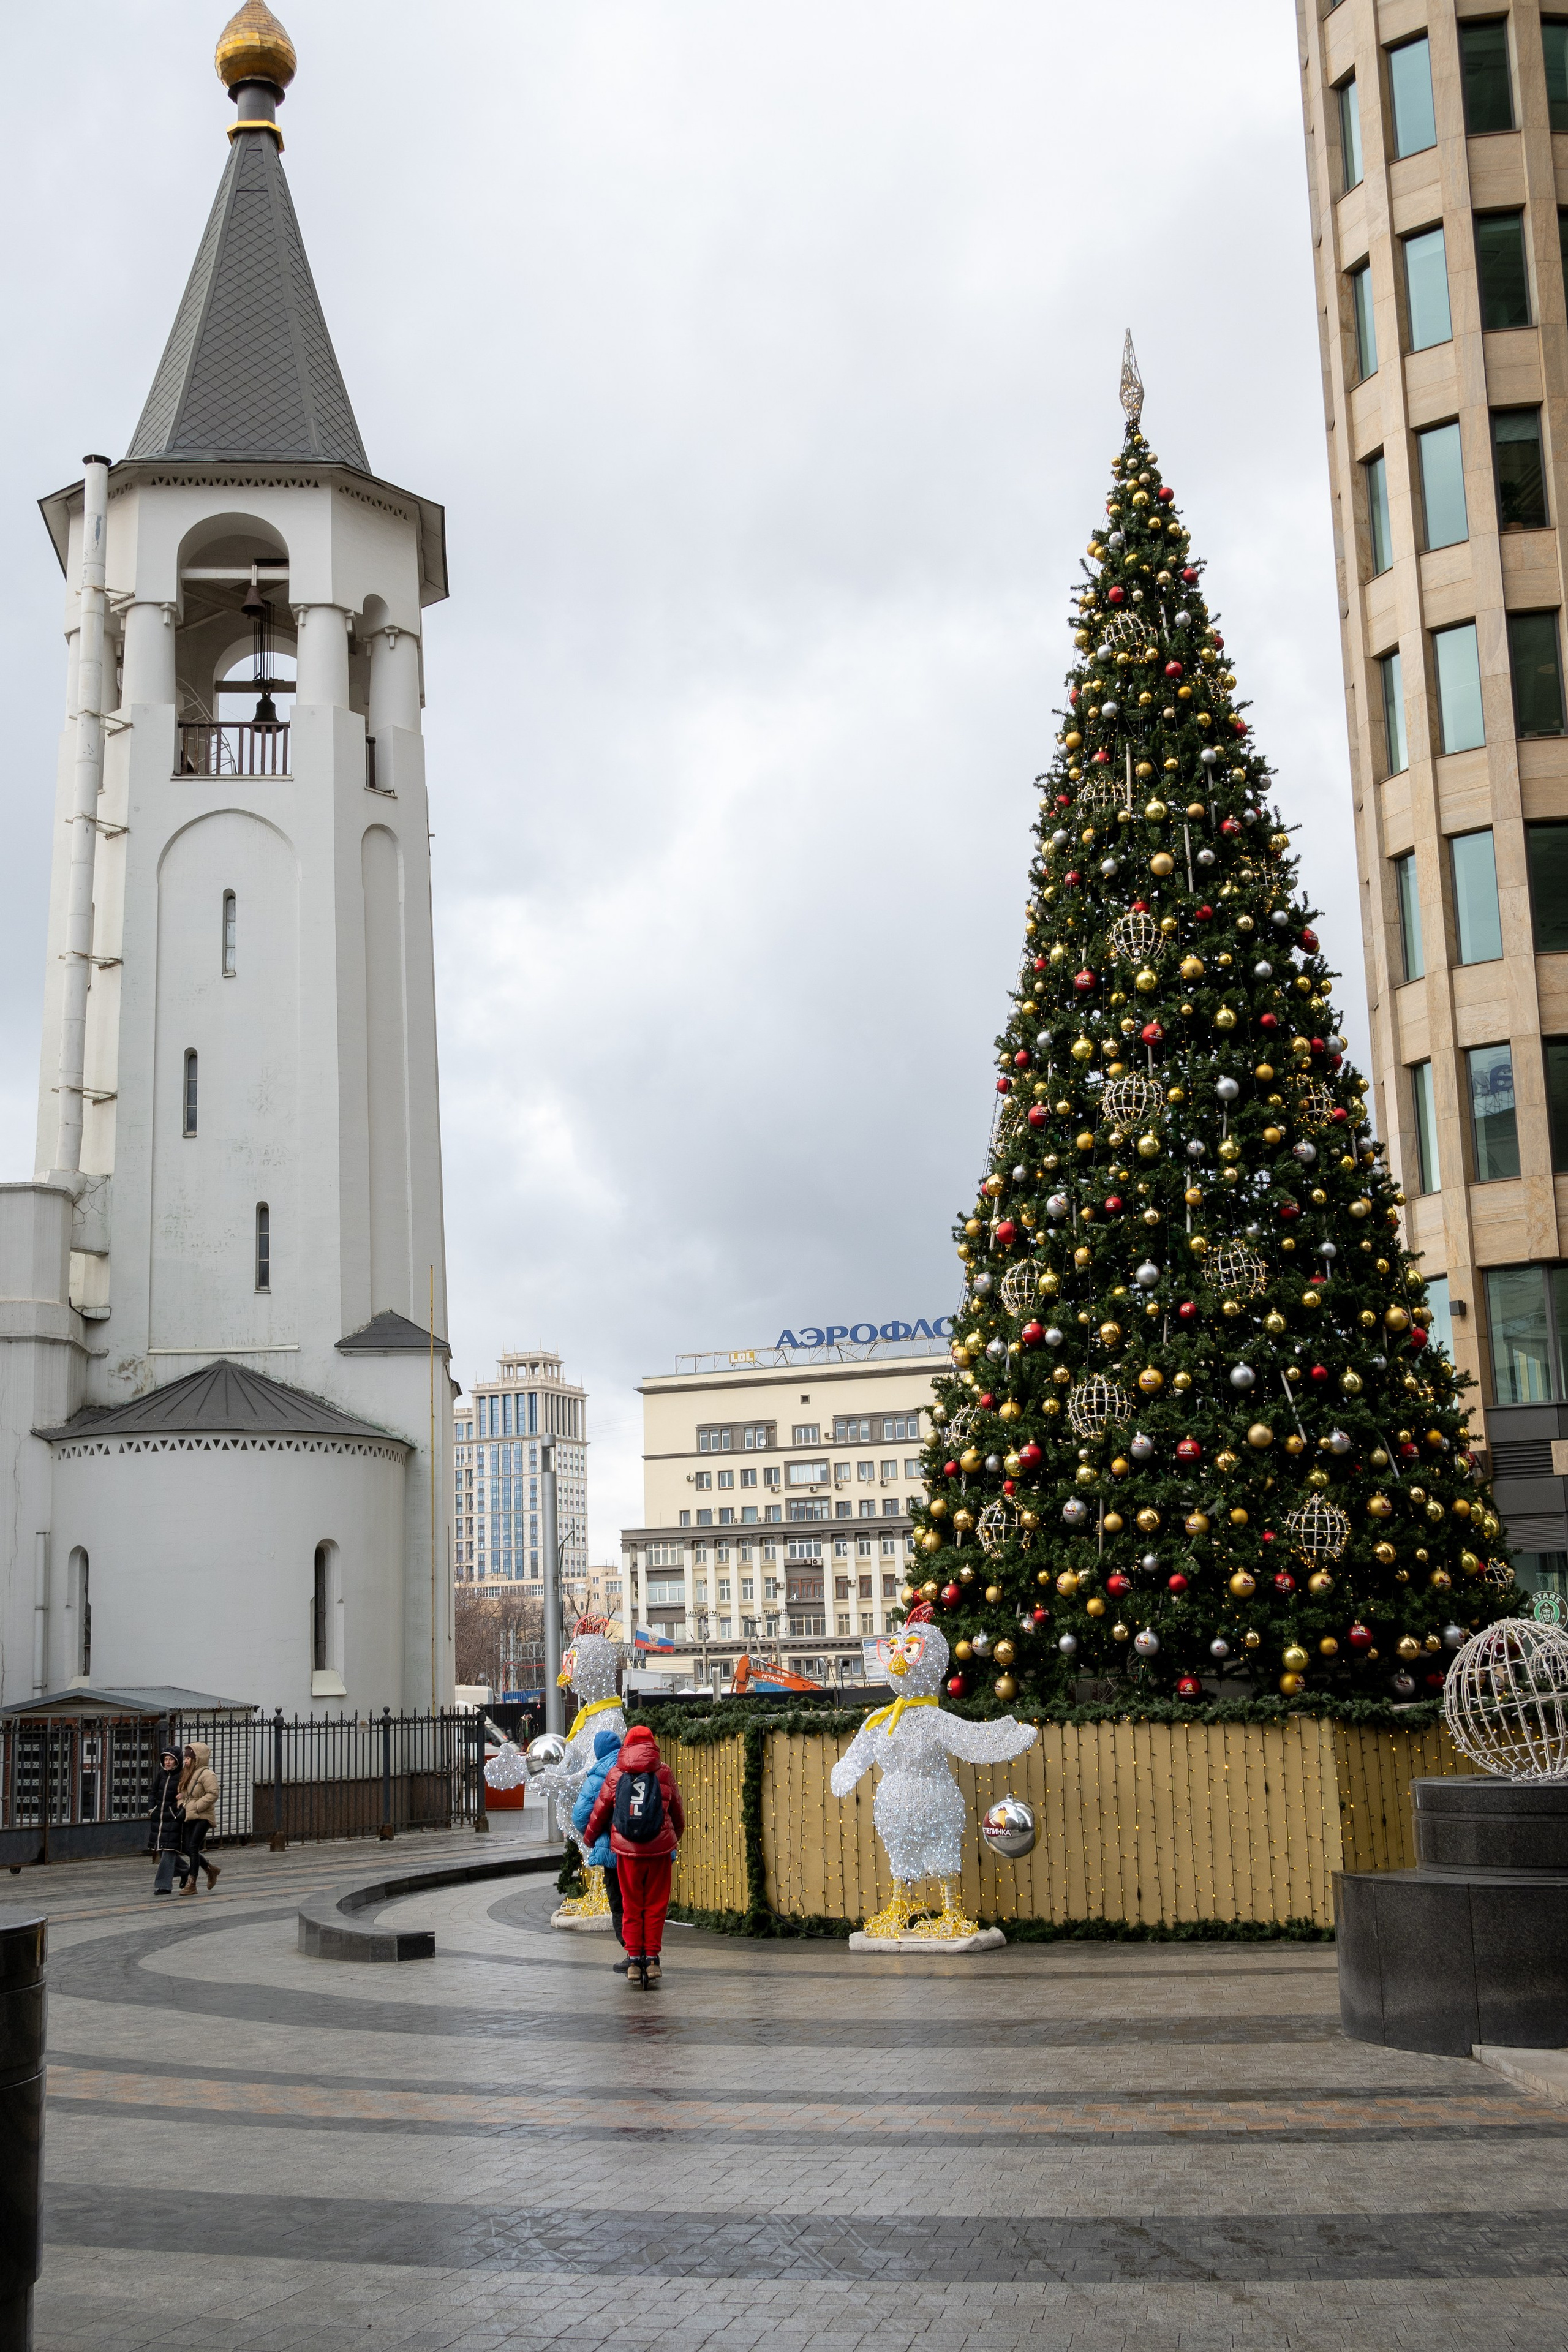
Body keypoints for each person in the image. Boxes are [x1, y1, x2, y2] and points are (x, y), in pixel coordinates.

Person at [584, 1724, 683, 1990]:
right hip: (659, 1851)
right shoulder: (664, 1772)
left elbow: (600, 1810)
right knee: (655, 1905)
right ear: (652, 1745)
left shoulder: (616, 1773)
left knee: (631, 1904)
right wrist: (673, 1837)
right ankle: (652, 1960)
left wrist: (590, 1839)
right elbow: (677, 1812)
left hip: (627, 1852)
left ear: (627, 1745)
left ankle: (634, 1961)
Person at [571, 1727, 627, 1969]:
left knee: (618, 1902)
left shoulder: (597, 1778)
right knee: (640, 1902)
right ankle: (648, 1954)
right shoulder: (634, 1767)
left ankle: (632, 1953)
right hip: (642, 1850)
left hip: (612, 1851)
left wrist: (597, 1836)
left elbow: (580, 1817)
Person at [176, 1741, 221, 1894]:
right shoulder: (187, 1773)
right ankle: (210, 1869)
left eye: (189, 1758)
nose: (186, 1761)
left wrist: (197, 1806)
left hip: (203, 1816)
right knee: (186, 1847)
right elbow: (182, 1793)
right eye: (185, 1758)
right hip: (190, 1815)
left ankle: (192, 1884)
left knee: (193, 1847)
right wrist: (182, 1804)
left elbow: (213, 1793)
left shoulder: (207, 1774)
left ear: (198, 1758)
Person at [149, 1747, 187, 1896]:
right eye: (166, 1759)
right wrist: (152, 1809)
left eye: (171, 1759)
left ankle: (163, 1885)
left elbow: (187, 1792)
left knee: (168, 1851)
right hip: (159, 1818)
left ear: (177, 1761)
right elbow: (153, 1792)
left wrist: (177, 1809)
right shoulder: (161, 1774)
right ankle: (185, 1870)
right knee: (162, 1850)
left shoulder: (182, 1775)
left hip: (173, 1818)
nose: (168, 1762)